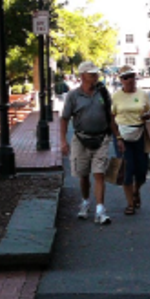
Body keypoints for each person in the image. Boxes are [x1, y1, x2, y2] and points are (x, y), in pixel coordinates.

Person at [60, 61, 123, 225]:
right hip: (81, 139)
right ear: (82, 76)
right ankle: (85, 201)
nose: (95, 76)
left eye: (96, 74)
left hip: (101, 139)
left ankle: (100, 210)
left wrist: (118, 137)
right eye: (91, 74)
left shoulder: (103, 92)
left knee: (99, 173)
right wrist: (63, 141)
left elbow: (111, 117)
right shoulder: (73, 96)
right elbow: (64, 118)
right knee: (83, 174)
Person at [111, 65, 150, 215]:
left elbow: (149, 112)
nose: (129, 80)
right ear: (121, 80)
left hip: (140, 134)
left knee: (142, 170)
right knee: (127, 170)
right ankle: (130, 203)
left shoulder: (143, 95)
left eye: (132, 76)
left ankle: (136, 190)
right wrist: (117, 137)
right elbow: (111, 118)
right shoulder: (116, 97)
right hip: (122, 136)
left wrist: (148, 115)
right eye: (126, 77)